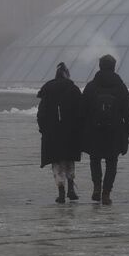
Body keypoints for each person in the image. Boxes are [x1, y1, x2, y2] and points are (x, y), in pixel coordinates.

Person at [81, 53, 129, 204]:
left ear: (100, 66)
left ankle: (97, 187)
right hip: (115, 132)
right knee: (112, 162)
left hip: (94, 131)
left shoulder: (91, 86)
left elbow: (82, 109)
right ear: (114, 67)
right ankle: (106, 193)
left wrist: (83, 129)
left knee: (94, 159)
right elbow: (128, 110)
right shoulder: (120, 87)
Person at [37, 62, 83, 202]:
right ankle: (70, 189)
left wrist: (44, 129)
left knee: (57, 163)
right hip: (71, 132)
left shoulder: (48, 90)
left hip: (52, 134)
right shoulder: (73, 89)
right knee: (69, 161)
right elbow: (81, 111)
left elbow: (41, 113)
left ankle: (61, 192)